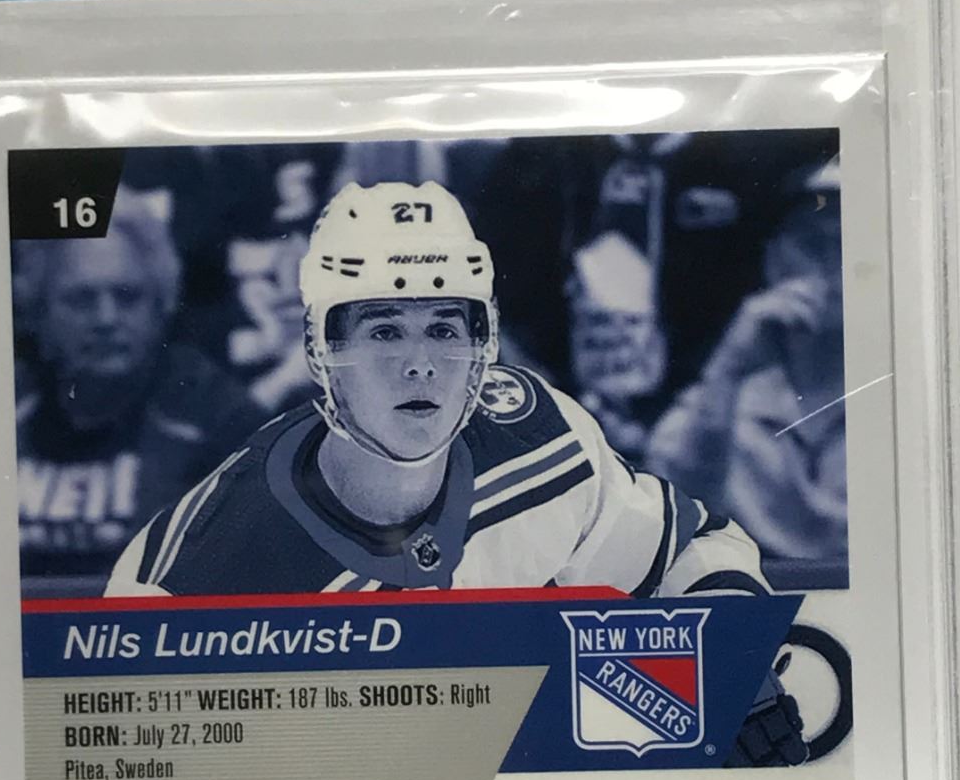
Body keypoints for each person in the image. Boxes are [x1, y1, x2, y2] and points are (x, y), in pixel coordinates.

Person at [107, 180, 771, 603]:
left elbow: (691, 551)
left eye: (445, 328)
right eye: (385, 331)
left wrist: (738, 661)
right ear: (321, 350)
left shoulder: (540, 439)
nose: (421, 364)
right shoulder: (197, 565)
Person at [15, 198, 280, 588]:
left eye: (127, 297)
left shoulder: (216, 418)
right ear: (40, 311)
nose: (106, 319)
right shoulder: (4, 410)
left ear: (160, 305)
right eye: (81, 299)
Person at [646, 159, 849, 581]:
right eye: (813, 242)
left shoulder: (902, 390)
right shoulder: (729, 395)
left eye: (852, 242)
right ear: (774, 262)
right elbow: (669, 514)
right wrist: (729, 366)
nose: (834, 263)